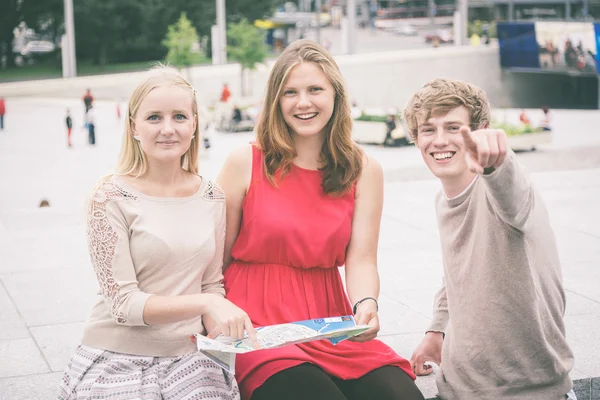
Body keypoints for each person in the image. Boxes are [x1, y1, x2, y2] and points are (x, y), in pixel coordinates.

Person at [217, 39, 423, 400]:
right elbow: (216, 258)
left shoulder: (364, 170)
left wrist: (366, 305)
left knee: (400, 395)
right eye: (290, 92)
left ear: (336, 95)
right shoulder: (243, 163)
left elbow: (360, 258)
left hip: (328, 320)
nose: (303, 102)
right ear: (276, 101)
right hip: (256, 321)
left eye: (315, 89)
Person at [57, 67, 257, 400]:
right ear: (134, 126)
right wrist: (208, 301)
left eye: (179, 116)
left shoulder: (212, 196)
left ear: (194, 124)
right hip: (119, 359)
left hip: (191, 358)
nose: (168, 129)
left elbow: (211, 284)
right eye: (154, 118)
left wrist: (224, 329)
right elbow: (123, 304)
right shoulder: (109, 196)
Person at [403, 78, 575, 400]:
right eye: (428, 129)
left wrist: (497, 162)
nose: (439, 141)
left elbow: (513, 194)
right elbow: (457, 271)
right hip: (456, 388)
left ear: (479, 129)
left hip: (530, 391)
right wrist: (436, 330)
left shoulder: (507, 192)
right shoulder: (444, 200)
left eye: (453, 127)